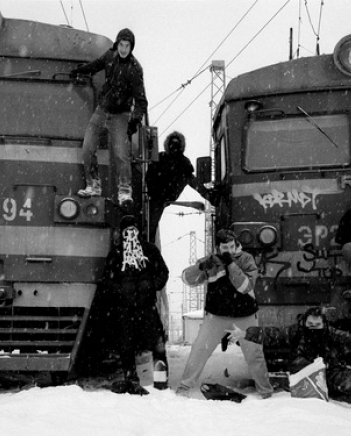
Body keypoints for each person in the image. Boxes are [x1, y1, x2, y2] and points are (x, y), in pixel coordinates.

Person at [176, 229, 274, 399]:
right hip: (216, 316)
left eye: (231, 246)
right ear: (218, 247)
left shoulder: (246, 259)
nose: (228, 249)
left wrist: (231, 264)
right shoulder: (210, 261)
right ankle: (185, 387)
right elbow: (186, 279)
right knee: (199, 349)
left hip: (245, 315)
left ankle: (265, 391)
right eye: (224, 247)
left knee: (254, 354)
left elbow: (245, 287)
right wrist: (199, 267)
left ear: (236, 244)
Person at [70, 28, 148, 206]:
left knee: (121, 154)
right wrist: (80, 71)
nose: (123, 49)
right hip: (102, 110)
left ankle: (124, 191)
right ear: (117, 44)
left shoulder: (135, 69)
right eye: (121, 44)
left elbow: (141, 101)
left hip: (120, 114)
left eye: (127, 46)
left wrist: (134, 120)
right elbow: (96, 65)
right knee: (88, 148)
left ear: (131, 47)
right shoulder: (110, 56)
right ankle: (93, 185)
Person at [102, 215, 169, 394]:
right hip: (124, 308)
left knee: (157, 344)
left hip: (147, 306)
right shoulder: (116, 254)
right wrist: (120, 292)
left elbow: (163, 272)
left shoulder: (149, 250)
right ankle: (131, 379)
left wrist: (153, 286)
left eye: (133, 229)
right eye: (127, 230)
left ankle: (161, 382)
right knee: (126, 345)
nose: (131, 233)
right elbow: (107, 281)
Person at [145, 131, 195, 240]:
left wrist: (167, 195)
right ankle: (148, 242)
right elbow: (150, 175)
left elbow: (188, 178)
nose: (174, 147)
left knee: (152, 224)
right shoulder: (161, 157)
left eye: (176, 144)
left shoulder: (182, 162)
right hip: (157, 197)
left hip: (162, 197)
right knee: (151, 224)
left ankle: (148, 242)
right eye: (172, 144)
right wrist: (154, 192)